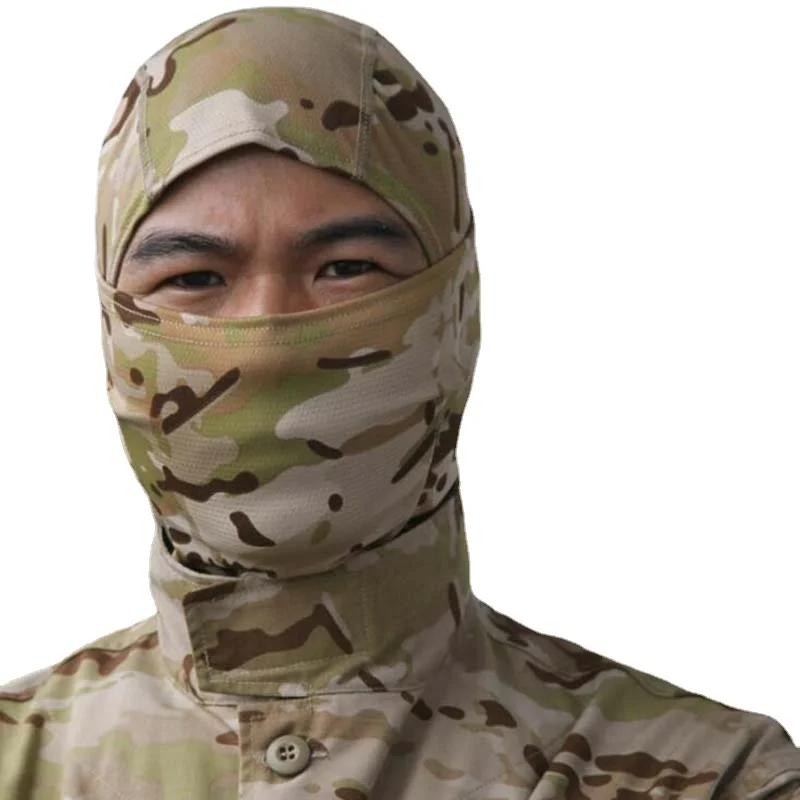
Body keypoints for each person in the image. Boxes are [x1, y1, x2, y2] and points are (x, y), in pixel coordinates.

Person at [0, 6, 797, 799]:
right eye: (194, 279)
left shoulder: (714, 777)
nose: (268, 343)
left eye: (346, 269)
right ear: (113, 332)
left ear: (456, 310)